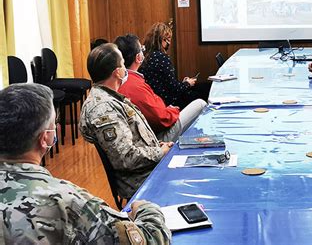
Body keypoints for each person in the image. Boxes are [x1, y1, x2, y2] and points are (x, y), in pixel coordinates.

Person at [0, 83, 171, 244]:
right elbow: (151, 238)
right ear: (46, 138)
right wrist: (145, 208)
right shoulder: (64, 200)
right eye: (55, 124)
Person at [80, 43, 174, 200]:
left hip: (150, 168)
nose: (125, 68)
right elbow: (126, 158)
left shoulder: (110, 97)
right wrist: (160, 152)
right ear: (117, 73)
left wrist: (159, 146)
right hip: (143, 181)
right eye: (123, 63)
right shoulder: (103, 108)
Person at [114, 34, 207, 141]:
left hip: (148, 131)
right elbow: (161, 119)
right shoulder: (134, 85)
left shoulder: (120, 81)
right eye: (142, 49)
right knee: (201, 103)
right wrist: (173, 110)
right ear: (138, 58)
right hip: (157, 139)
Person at [139, 22, 210, 109]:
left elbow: (165, 83)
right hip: (170, 101)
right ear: (162, 40)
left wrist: (183, 83)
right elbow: (174, 89)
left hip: (155, 100)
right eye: (167, 39)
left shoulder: (144, 56)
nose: (169, 43)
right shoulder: (162, 58)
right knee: (206, 89)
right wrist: (187, 83)